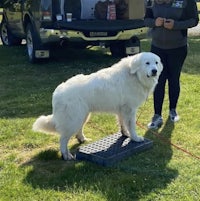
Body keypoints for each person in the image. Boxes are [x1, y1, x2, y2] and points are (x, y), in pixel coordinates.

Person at [144, 0, 199, 129]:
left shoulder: (186, 2)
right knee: (159, 81)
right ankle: (157, 115)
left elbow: (194, 20)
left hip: (178, 48)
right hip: (157, 48)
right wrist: (154, 23)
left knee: (174, 79)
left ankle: (172, 111)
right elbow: (146, 19)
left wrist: (176, 25)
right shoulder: (151, 1)